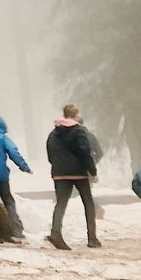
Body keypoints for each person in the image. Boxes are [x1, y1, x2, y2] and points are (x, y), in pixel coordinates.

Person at [45, 104, 99, 250]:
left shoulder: (53, 133)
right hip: (78, 173)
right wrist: (92, 171)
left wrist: (58, 166)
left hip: (59, 173)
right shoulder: (79, 131)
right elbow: (85, 152)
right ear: (76, 115)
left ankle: (55, 233)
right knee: (88, 203)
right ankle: (92, 238)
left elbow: (50, 154)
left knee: (61, 203)